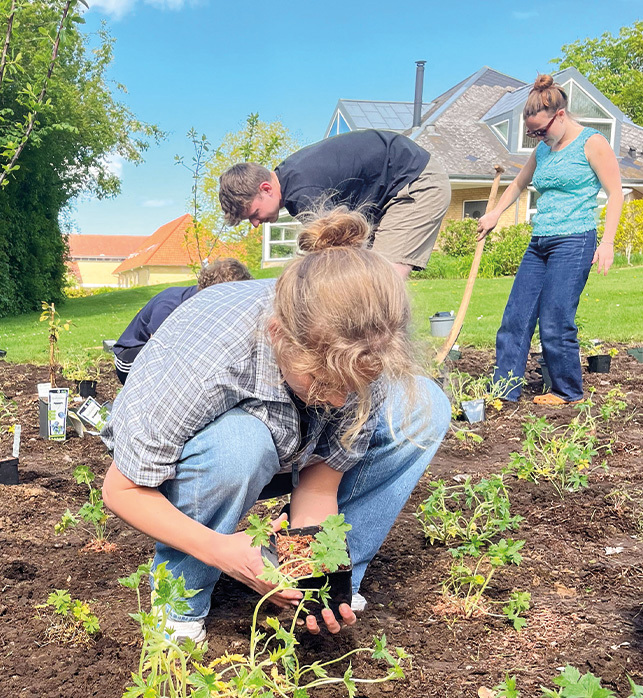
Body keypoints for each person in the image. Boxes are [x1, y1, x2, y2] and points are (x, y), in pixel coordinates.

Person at [101, 208, 451, 642]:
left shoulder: (364, 340)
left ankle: (331, 584)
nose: (340, 401)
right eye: (323, 380)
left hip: (292, 449)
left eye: (354, 385)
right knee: (240, 443)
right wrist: (221, 550)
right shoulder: (206, 357)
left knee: (424, 406)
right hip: (205, 462)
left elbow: (320, 487)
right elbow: (122, 490)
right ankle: (179, 599)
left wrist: (311, 570)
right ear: (278, 335)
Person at [477, 74, 622, 406]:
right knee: (516, 317)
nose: (537, 137)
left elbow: (616, 194)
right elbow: (517, 184)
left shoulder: (592, 142)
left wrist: (608, 242)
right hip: (540, 241)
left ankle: (567, 391)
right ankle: (504, 390)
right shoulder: (543, 150)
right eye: (532, 132)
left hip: (574, 240)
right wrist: (496, 213)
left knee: (556, 319)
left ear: (560, 115)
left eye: (540, 130)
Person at [218, 129, 451, 279]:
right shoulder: (292, 177)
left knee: (382, 281)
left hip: (415, 183)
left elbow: (337, 253)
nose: (256, 224)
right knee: (362, 278)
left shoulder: (303, 194)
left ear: (266, 189)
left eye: (253, 214)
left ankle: (381, 350)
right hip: (392, 188)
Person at [112, 257, 252, 384]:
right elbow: (158, 352)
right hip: (131, 356)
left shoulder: (206, 305)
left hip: (171, 353)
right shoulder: (169, 305)